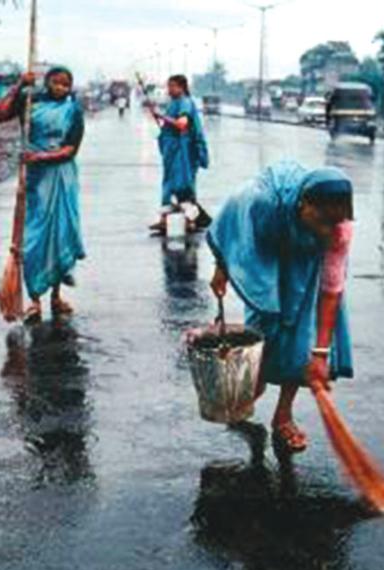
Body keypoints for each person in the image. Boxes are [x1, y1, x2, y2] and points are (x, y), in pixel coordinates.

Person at [205, 161, 354, 455]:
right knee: (264, 328)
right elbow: (234, 226)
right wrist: (222, 267)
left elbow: (330, 292)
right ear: (302, 204)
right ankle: (253, 386)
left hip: (308, 262)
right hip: (269, 246)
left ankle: (283, 415)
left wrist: (320, 354)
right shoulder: (263, 204)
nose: (326, 230)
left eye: (333, 223)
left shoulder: (338, 230)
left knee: (301, 338)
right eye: (321, 219)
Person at [0, 66, 86, 324]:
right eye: (56, 83)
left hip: (62, 176)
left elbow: (71, 149)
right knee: (34, 238)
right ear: (46, 83)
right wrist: (19, 85)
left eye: (65, 84)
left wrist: (41, 156)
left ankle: (56, 296)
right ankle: (34, 299)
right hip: (35, 180)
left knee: (60, 235)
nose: (60, 88)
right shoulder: (29, 101)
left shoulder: (73, 110)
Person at [149, 74, 210, 235]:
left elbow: (182, 124)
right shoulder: (174, 103)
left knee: (184, 186)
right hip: (172, 152)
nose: (169, 90)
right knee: (169, 185)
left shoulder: (185, 103)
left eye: (172, 86)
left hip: (183, 153)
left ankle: (191, 220)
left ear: (181, 87)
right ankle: (163, 220)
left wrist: (162, 116)